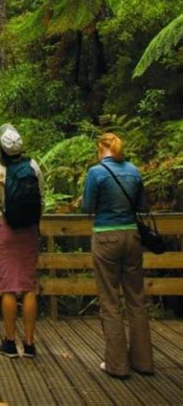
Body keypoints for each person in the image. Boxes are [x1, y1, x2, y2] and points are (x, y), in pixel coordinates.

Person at [83, 132, 154, 379]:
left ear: (102, 149)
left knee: (110, 300)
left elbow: (87, 207)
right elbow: (142, 205)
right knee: (136, 298)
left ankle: (117, 364)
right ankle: (143, 361)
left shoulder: (96, 173)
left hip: (106, 237)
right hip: (132, 237)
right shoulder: (134, 170)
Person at [0, 123, 44, 359]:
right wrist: (35, 223)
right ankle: (29, 345)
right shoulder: (33, 166)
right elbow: (41, 199)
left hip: (4, 228)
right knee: (29, 286)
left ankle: (10, 342)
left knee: (8, 287)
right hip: (29, 229)